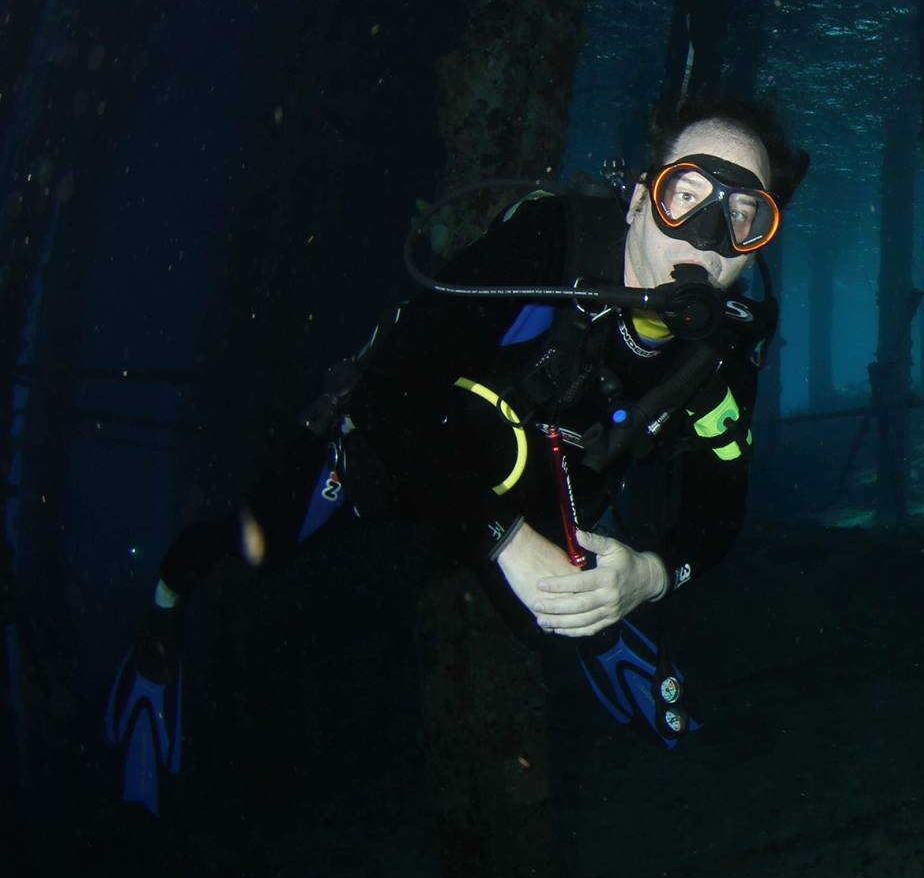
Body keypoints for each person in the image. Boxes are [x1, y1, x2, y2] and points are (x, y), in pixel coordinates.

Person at [103, 97, 807, 815]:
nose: (707, 238)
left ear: (756, 245)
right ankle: (162, 619)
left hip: (536, 498)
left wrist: (647, 575)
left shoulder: (724, 355)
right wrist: (503, 540)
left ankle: (592, 624)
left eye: (743, 215)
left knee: (561, 599)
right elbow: (388, 389)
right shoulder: (547, 245)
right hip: (403, 449)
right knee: (260, 538)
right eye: (683, 196)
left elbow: (718, 511)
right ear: (637, 200)